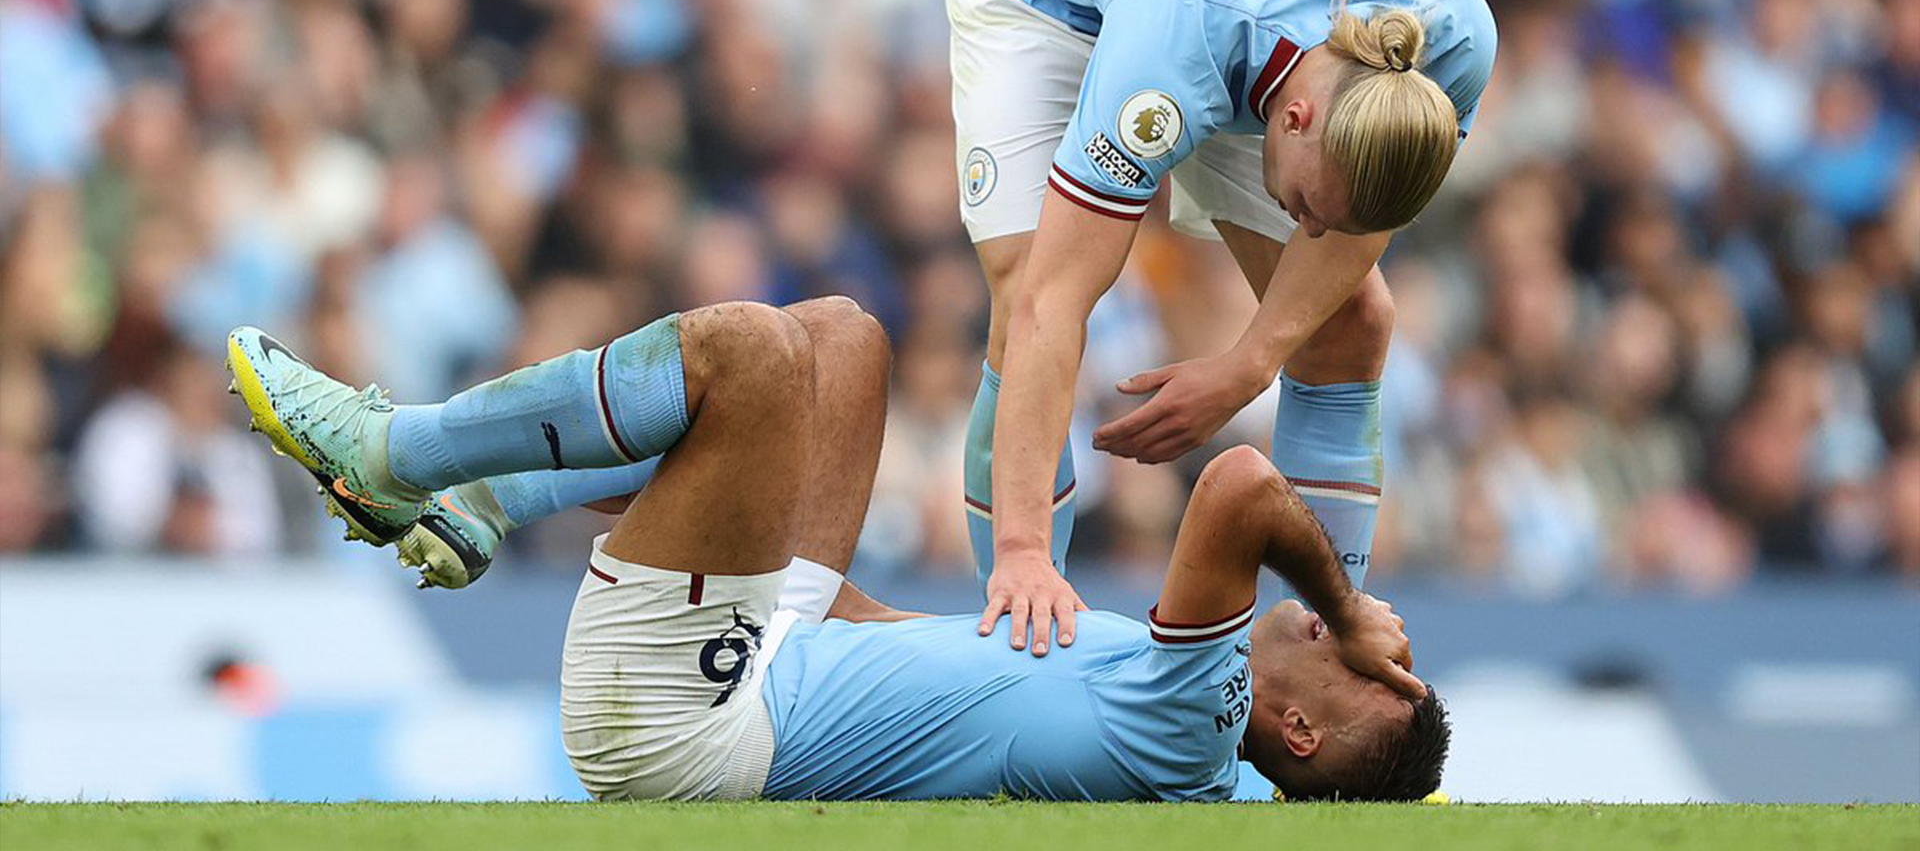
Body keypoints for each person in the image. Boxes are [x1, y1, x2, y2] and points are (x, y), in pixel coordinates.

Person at [225, 296, 1446, 802]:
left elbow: (1239, 486)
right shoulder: (1175, 722)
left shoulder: (1195, 719)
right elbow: (906, 663)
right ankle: (481, 503)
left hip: (688, 722)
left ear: (1298, 732)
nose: (1371, 638)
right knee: (844, 340)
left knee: (749, 361)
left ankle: (405, 456)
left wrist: (1341, 608)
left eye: (1370, 671)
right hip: (778, 650)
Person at [948, 0, 1497, 654]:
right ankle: (1017, 620)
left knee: (1350, 322)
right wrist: (1021, 548)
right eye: (1312, 207)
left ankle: (1327, 643)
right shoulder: (1171, 54)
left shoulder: (1452, 41)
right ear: (1297, 117)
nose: (1312, 229)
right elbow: (1052, 307)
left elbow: (1354, 229)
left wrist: (1250, 364)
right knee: (1027, 279)